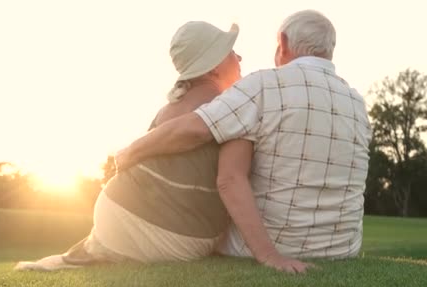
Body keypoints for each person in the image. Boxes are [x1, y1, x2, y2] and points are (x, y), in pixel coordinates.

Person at [115, 10, 372, 272]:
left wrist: (129, 153)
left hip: (267, 247)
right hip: (343, 250)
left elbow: (194, 131)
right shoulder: (357, 103)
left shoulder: (263, 85)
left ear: (282, 42)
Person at [16, 21, 263, 271]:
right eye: (232, 52)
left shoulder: (169, 109)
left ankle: (79, 256)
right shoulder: (227, 105)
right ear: (214, 67)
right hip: (177, 236)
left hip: (117, 212)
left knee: (94, 254)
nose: (239, 57)